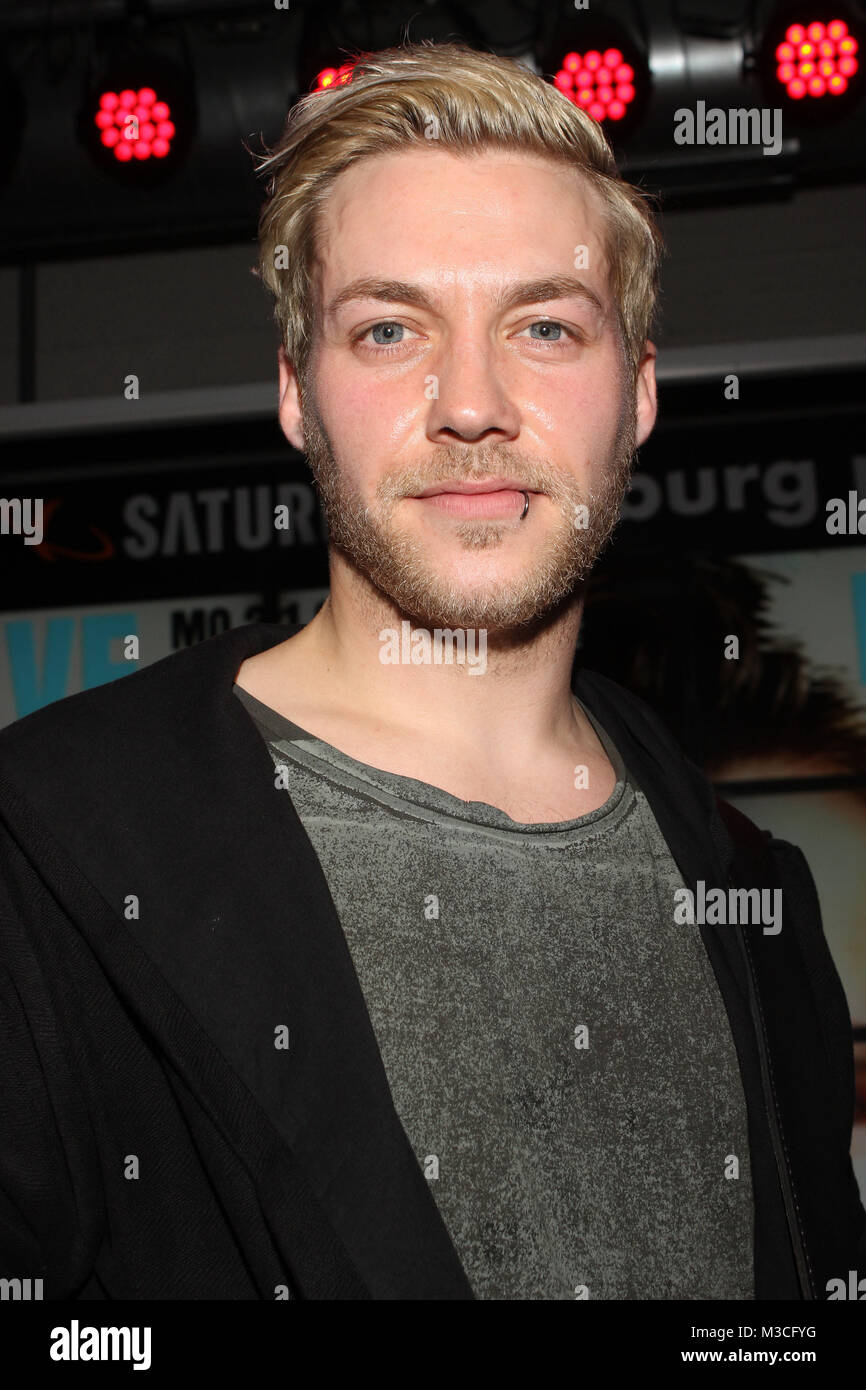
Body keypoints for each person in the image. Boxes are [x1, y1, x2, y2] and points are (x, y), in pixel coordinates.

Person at [0, 40, 863, 1302]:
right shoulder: (49, 848)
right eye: (390, 327)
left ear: (638, 393)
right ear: (298, 393)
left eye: (546, 326)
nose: (469, 403)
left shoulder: (748, 886)